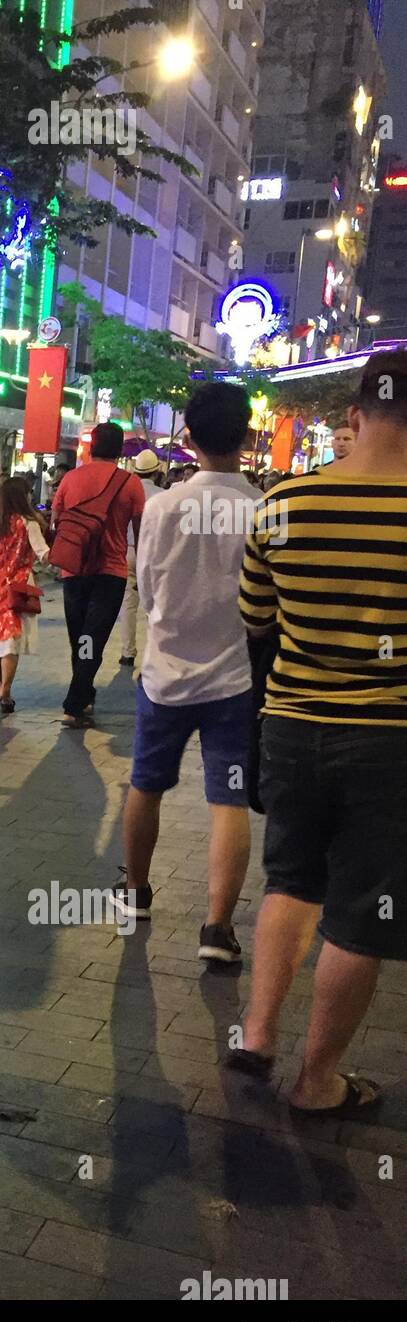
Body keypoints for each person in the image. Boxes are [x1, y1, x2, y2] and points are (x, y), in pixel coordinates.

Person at [233, 350, 407, 1117]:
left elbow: (256, 622)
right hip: (387, 742)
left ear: (354, 416)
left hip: (291, 728)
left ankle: (258, 1034)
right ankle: (316, 1083)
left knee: (289, 881)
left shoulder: (281, 503)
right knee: (363, 912)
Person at [107, 384, 261, 965]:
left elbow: (144, 584)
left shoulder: (162, 507)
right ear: (246, 438)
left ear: (188, 439)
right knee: (229, 799)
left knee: (145, 785)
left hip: (164, 676)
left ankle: (136, 891)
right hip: (234, 679)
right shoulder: (264, 509)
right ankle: (216, 929)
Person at [51, 422, 145, 729]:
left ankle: (84, 693)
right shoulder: (130, 483)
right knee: (93, 637)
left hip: (73, 568)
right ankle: (74, 704)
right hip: (111, 571)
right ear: (119, 450)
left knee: (79, 636)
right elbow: (139, 531)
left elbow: (56, 520)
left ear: (91, 447)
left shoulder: (70, 479)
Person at [0, 475, 50, 713]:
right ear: (23, 496)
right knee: (11, 643)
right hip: (17, 588)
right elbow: (44, 554)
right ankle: (6, 689)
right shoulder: (29, 523)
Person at [117, 449, 165, 674]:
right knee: (152, 604)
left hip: (127, 551)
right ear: (156, 473)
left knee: (128, 603)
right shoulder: (162, 496)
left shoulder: (125, 493)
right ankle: (152, 651)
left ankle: (127, 653)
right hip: (154, 553)